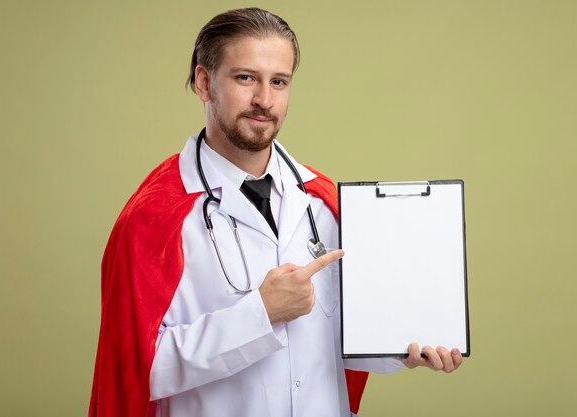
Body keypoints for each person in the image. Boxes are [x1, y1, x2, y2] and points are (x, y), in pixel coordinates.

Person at [88, 7, 463, 417]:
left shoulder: (324, 203)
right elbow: (139, 369)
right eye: (245, 77)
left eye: (278, 82)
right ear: (204, 82)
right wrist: (259, 314)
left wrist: (401, 349)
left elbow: (332, 342)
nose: (264, 100)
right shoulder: (154, 217)